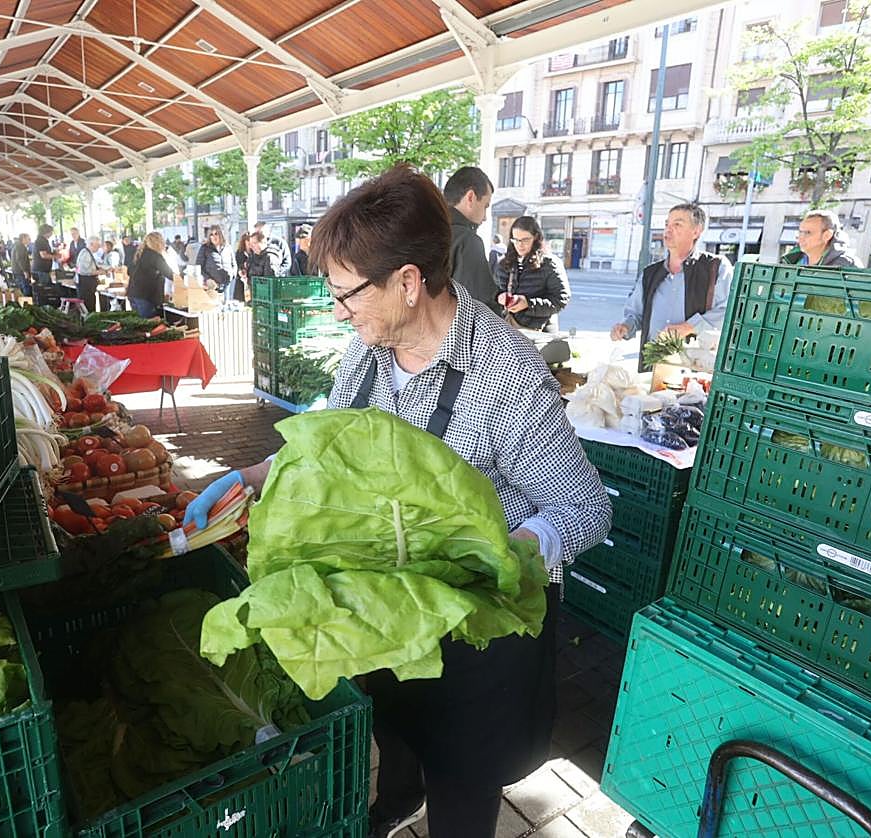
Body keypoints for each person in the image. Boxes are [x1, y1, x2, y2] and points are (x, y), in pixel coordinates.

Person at [183, 165, 612, 838]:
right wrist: (256, 472)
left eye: (348, 294)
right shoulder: (367, 353)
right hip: (393, 601)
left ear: (409, 283)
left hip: (475, 624)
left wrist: (502, 551)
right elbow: (330, 438)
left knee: (461, 783)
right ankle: (395, 802)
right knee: (398, 721)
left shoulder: (506, 375)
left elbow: (586, 509)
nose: (339, 311)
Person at [610, 203, 732, 369]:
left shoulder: (715, 267)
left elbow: (727, 311)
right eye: (667, 224)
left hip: (693, 368)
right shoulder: (650, 273)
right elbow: (635, 312)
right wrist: (625, 326)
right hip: (652, 365)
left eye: (677, 224)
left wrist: (689, 327)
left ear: (696, 231)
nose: (668, 229)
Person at [494, 216, 571, 332]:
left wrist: (528, 304)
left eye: (525, 240)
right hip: (509, 329)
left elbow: (561, 299)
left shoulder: (549, 264)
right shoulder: (504, 263)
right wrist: (499, 297)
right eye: (516, 240)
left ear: (536, 238)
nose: (520, 245)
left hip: (540, 333)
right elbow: (494, 291)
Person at [442, 166, 499, 311]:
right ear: (471, 197)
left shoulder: (422, 230)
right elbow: (481, 308)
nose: (485, 218)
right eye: (485, 206)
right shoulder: (467, 241)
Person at [781, 210, 860, 267]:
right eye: (800, 232)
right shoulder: (791, 261)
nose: (800, 238)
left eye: (807, 233)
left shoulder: (848, 266)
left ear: (827, 235)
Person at [127, 232, 173, 318]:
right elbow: (169, 273)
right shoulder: (155, 256)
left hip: (133, 293)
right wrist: (185, 279)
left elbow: (129, 271)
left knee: (139, 326)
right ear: (158, 243)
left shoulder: (139, 254)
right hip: (146, 296)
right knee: (149, 326)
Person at [197, 225, 238, 302]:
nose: (214, 236)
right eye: (211, 234)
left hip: (227, 285)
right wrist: (207, 279)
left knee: (226, 308)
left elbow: (234, 264)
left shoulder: (228, 247)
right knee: (213, 309)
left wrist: (232, 275)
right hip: (212, 286)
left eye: (216, 233)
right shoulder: (204, 248)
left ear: (220, 234)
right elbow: (199, 266)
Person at [74, 235, 106, 313]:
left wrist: (101, 268)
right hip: (85, 285)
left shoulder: (88, 252)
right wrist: (100, 272)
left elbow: (92, 265)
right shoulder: (85, 253)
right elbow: (85, 271)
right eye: (97, 245)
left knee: (91, 305)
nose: (99, 247)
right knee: (88, 306)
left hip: (88, 284)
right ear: (91, 244)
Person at [31, 224, 56, 288]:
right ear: (46, 232)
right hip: (41, 270)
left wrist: (54, 253)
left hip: (42, 270)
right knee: (45, 289)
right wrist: (55, 256)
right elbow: (43, 255)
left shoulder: (43, 240)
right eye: (51, 232)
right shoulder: (40, 241)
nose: (51, 234)